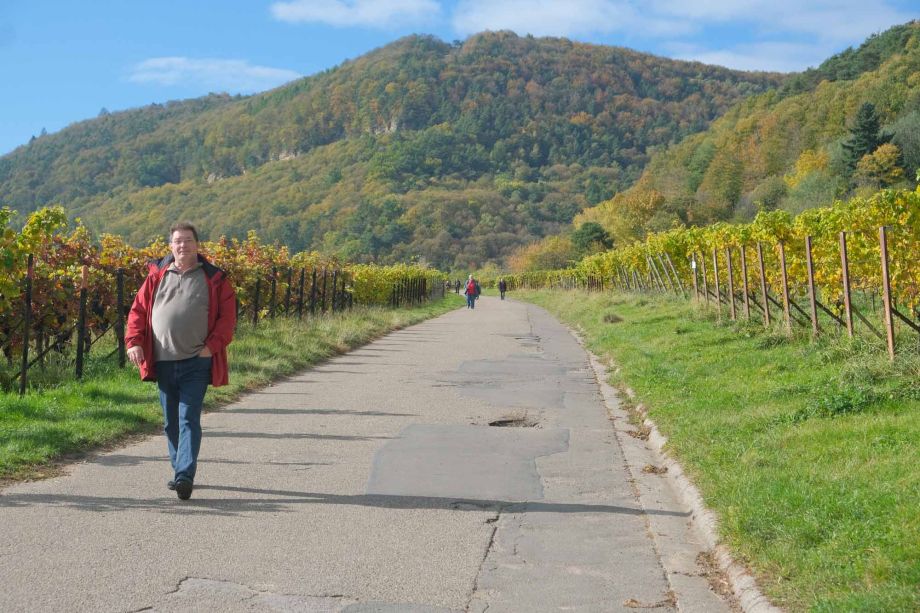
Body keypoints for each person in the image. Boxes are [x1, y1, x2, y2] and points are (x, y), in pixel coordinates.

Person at [126, 222, 237, 501]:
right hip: (163, 360)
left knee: (188, 417)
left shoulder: (214, 278)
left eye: (188, 240)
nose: (182, 245)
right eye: (178, 241)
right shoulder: (157, 275)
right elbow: (138, 310)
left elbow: (227, 320)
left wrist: (210, 348)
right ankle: (180, 470)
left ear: (197, 245)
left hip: (196, 361)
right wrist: (134, 342)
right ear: (171, 246)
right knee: (170, 422)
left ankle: (185, 475)